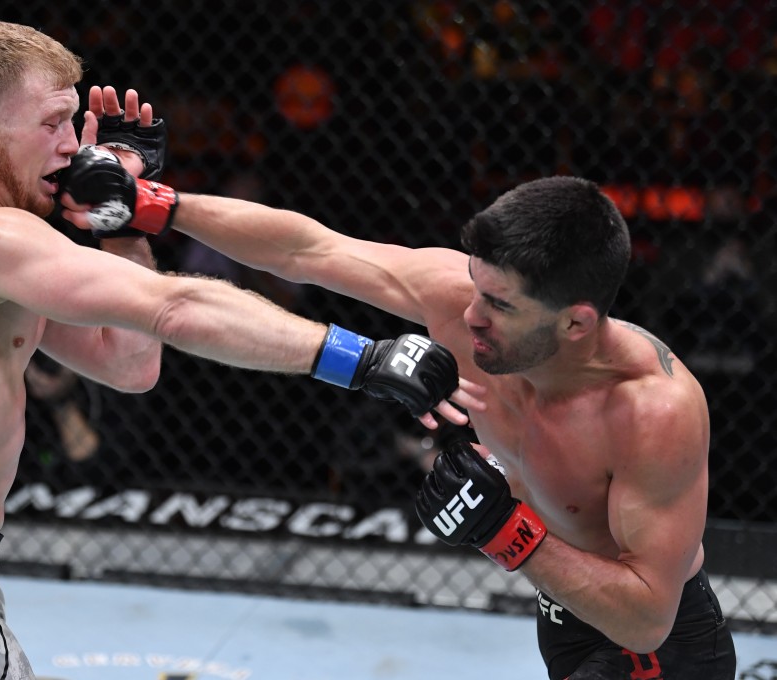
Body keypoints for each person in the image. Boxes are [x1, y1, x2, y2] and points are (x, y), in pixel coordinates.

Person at [0, 20, 483, 680]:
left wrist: (122, 218)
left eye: (74, 122)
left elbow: (130, 364)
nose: (73, 147)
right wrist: (361, 359)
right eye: (51, 124)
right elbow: (176, 306)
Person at [65, 173, 737, 679]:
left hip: (659, 649)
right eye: (476, 287)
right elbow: (307, 249)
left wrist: (504, 531)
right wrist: (155, 205)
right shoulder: (460, 301)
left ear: (576, 323)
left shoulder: (652, 410)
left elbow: (649, 617)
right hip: (561, 615)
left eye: (499, 305)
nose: (470, 316)